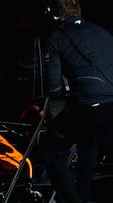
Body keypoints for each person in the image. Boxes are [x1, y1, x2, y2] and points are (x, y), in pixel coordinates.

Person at [40, 0, 113, 202]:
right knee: (86, 138)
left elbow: (54, 88)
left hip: (92, 105)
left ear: (56, 16)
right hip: (108, 105)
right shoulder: (102, 31)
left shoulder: (56, 36)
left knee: (50, 150)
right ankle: (84, 195)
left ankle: (73, 200)